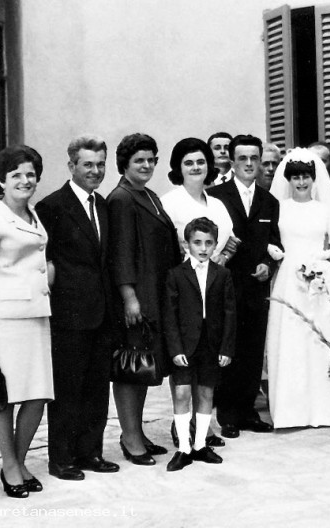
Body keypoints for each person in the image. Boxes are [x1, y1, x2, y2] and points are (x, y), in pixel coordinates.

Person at [0, 145, 53, 498]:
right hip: (5, 320)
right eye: (16, 174)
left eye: (31, 174)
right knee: (4, 396)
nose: (25, 180)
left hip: (37, 315)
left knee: (37, 395)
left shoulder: (33, 215)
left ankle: (16, 461)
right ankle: (10, 465)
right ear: (2, 180)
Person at [35, 135, 119, 482]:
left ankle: (90, 452)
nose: (95, 171)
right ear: (71, 166)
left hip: (101, 312)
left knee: (97, 387)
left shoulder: (103, 205)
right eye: (88, 164)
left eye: (100, 164)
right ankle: (62, 458)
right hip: (68, 314)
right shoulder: (52, 207)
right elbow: (45, 262)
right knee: (68, 388)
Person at [266, 148, 330, 428]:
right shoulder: (278, 208)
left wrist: (323, 259)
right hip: (288, 279)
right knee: (291, 340)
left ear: (314, 179)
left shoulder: (323, 209)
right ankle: (291, 411)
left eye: (306, 177)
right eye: (296, 177)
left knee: (319, 340)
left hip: (318, 279)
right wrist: (273, 250)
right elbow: (269, 238)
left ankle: (326, 408)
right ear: (288, 180)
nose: (301, 182)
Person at [107, 133, 181, 465]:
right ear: (125, 164)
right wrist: (129, 297)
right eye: (139, 160)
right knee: (130, 366)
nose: (147, 165)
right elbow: (120, 252)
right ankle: (130, 437)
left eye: (151, 159)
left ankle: (136, 432)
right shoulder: (121, 198)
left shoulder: (149, 194)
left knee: (143, 365)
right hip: (136, 296)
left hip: (154, 291)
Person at [161, 137, 237, 449]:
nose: (196, 167)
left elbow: (231, 239)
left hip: (213, 287)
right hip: (185, 288)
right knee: (184, 366)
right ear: (178, 167)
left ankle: (202, 429)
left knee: (206, 366)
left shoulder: (216, 203)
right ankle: (182, 427)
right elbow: (165, 245)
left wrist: (221, 260)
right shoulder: (170, 202)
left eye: (201, 162)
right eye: (189, 162)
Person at [207, 134, 282, 438]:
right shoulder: (216, 196)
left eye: (254, 158)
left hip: (256, 288)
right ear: (232, 161)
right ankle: (228, 414)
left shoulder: (269, 201)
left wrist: (268, 264)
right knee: (229, 349)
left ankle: (248, 411)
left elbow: (274, 241)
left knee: (253, 351)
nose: (249, 164)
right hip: (225, 287)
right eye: (243, 158)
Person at [163, 217, 236, 471]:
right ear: (187, 244)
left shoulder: (223, 274)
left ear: (215, 244)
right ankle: (183, 447)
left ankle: (200, 445)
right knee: (182, 393)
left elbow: (230, 313)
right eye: (197, 242)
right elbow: (170, 315)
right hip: (185, 344)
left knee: (206, 393)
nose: (203, 248)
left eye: (208, 243)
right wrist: (175, 349)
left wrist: (226, 348)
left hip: (211, 344)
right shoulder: (176, 274)